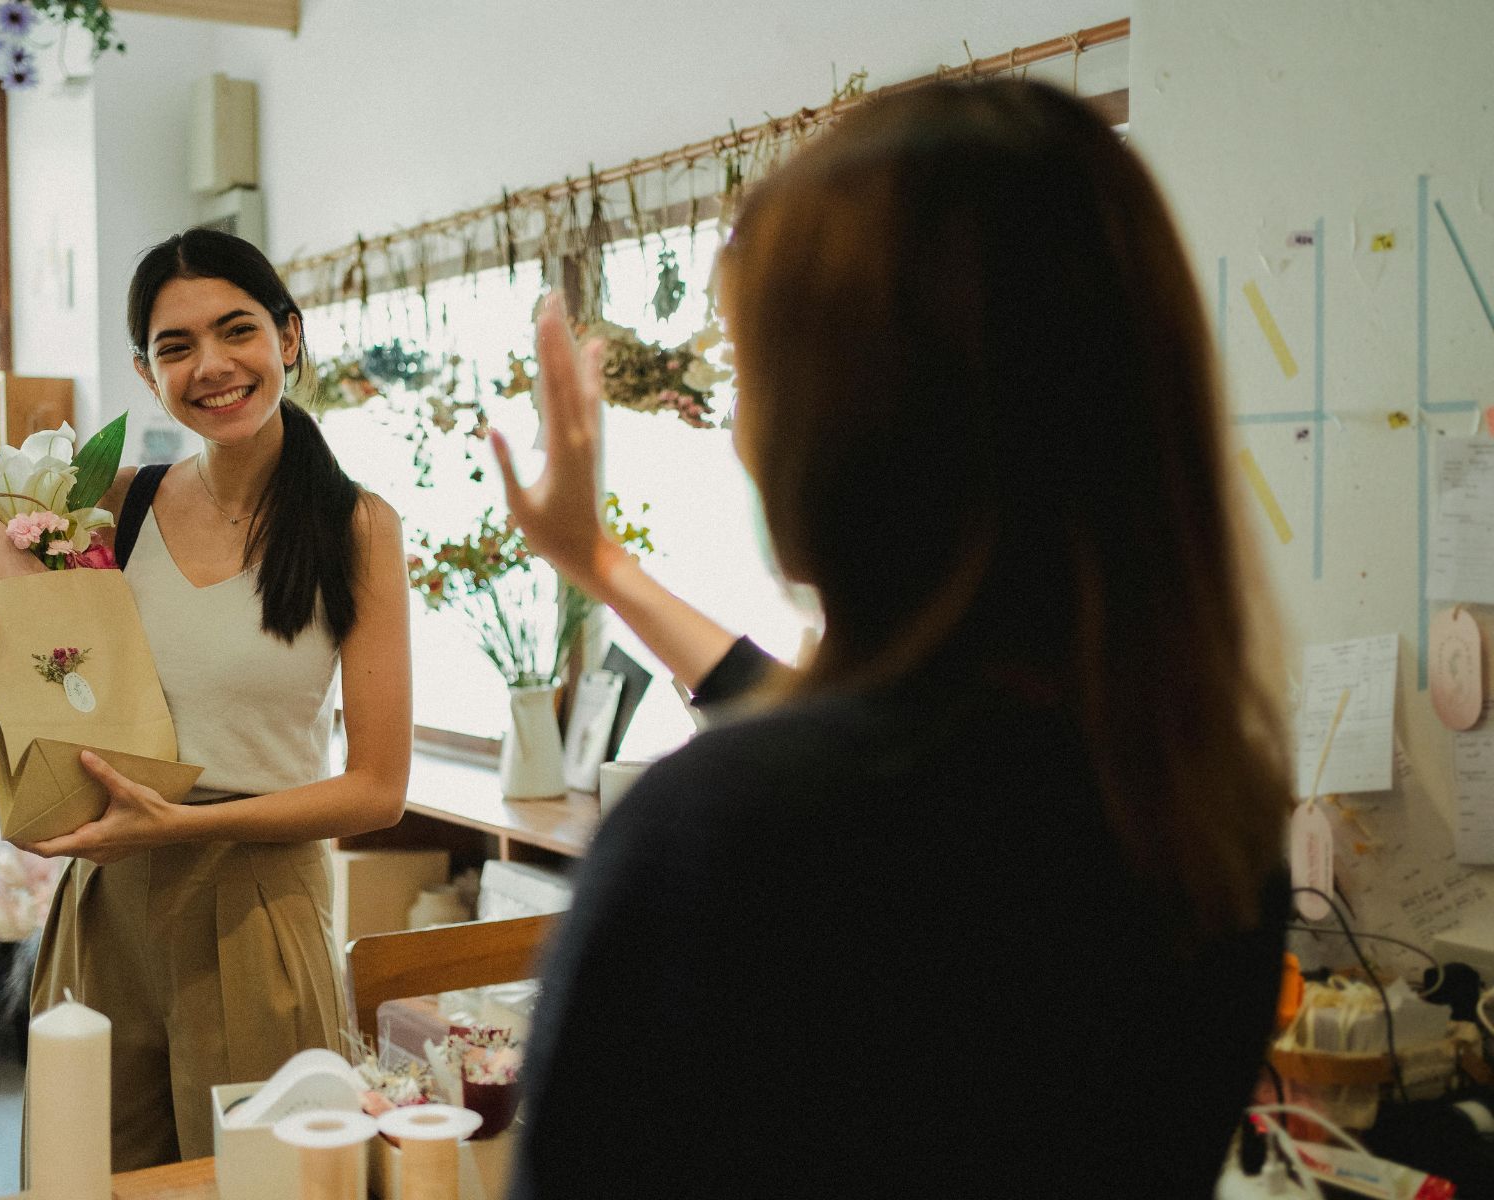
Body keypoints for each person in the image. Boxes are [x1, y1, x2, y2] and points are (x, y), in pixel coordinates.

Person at [493, 81, 1292, 1197]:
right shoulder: (1207, 818)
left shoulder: (720, 842)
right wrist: (602, 565)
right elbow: (869, 735)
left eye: (753, 374)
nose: (740, 431)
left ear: (855, 425)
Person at [0, 228, 413, 1172]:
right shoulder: (112, 509)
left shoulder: (355, 527)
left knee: (263, 1183)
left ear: (288, 337)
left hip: (257, 903)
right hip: (106, 905)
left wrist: (178, 826)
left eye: (238, 330)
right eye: (176, 346)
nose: (212, 366)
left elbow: (379, 789)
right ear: (147, 374)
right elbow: (61, 687)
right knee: (88, 1176)